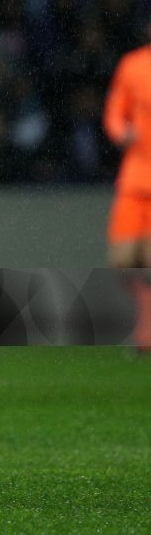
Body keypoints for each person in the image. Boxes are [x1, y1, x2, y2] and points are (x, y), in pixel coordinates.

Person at [103, 21, 151, 352]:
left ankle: (146, 333)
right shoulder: (133, 65)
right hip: (135, 177)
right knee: (121, 259)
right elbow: (114, 111)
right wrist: (123, 133)